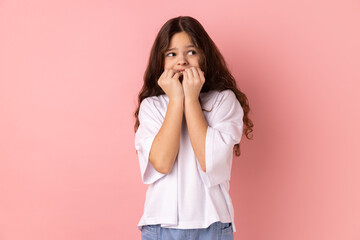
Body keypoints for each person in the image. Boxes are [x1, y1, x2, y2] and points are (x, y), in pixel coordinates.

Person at [133, 16, 253, 240]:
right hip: (160, 226)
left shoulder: (223, 101)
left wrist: (191, 100)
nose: (182, 61)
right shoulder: (152, 106)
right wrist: (176, 101)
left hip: (212, 224)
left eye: (191, 52)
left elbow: (209, 160)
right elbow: (161, 162)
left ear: (204, 57)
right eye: (171, 54)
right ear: (160, 62)